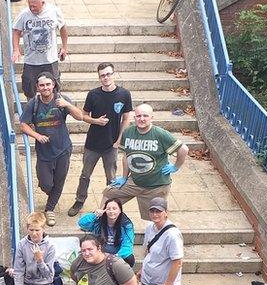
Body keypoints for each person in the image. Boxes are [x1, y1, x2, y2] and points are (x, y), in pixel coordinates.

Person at [67, 62, 133, 217]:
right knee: (85, 174)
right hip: (93, 143)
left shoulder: (124, 94)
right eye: (102, 75)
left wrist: (119, 140)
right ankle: (79, 200)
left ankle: (111, 205)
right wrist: (96, 121)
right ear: (99, 78)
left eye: (108, 74)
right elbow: (83, 116)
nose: (106, 77)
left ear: (113, 74)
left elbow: (126, 119)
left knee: (111, 177)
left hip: (111, 144)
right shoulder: (93, 94)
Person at [101, 103, 188, 220]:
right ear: (134, 117)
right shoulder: (128, 132)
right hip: (134, 181)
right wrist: (124, 177)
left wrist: (176, 167)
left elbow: (183, 149)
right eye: (138, 116)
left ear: (152, 118)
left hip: (156, 186)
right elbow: (126, 156)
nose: (142, 119)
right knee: (109, 193)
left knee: (156, 218)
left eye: (145, 116)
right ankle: (99, 221)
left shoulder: (160, 134)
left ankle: (157, 236)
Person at [19, 72, 85, 226]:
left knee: (59, 181)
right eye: (42, 85)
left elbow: (80, 117)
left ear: (53, 85)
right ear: (37, 87)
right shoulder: (33, 104)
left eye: (48, 84)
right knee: (45, 184)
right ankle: (52, 194)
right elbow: (23, 125)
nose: (45, 88)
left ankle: (50, 209)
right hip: (44, 152)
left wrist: (67, 105)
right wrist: (36, 135)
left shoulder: (62, 100)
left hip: (63, 149)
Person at [12, 0, 68, 99]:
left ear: (42, 3)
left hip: (50, 60)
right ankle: (32, 109)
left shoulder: (54, 11)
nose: (32, 9)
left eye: (35, 6)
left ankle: (53, 110)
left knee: (54, 88)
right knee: (29, 89)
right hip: (31, 61)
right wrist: (16, 49)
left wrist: (64, 47)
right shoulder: (24, 14)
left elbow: (63, 28)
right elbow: (16, 31)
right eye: (30, 6)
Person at [12, 212, 57, 285]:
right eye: (31, 230)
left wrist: (40, 260)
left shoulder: (50, 247)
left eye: (37, 230)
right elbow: (18, 270)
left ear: (43, 229)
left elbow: (49, 276)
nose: (34, 233)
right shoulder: (22, 244)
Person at [77, 198, 136, 267]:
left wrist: (113, 257)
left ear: (120, 210)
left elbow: (127, 246)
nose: (111, 211)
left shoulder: (126, 225)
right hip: (100, 253)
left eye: (114, 208)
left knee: (129, 258)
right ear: (104, 210)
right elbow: (82, 223)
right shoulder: (99, 222)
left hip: (117, 256)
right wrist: (94, 215)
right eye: (108, 209)